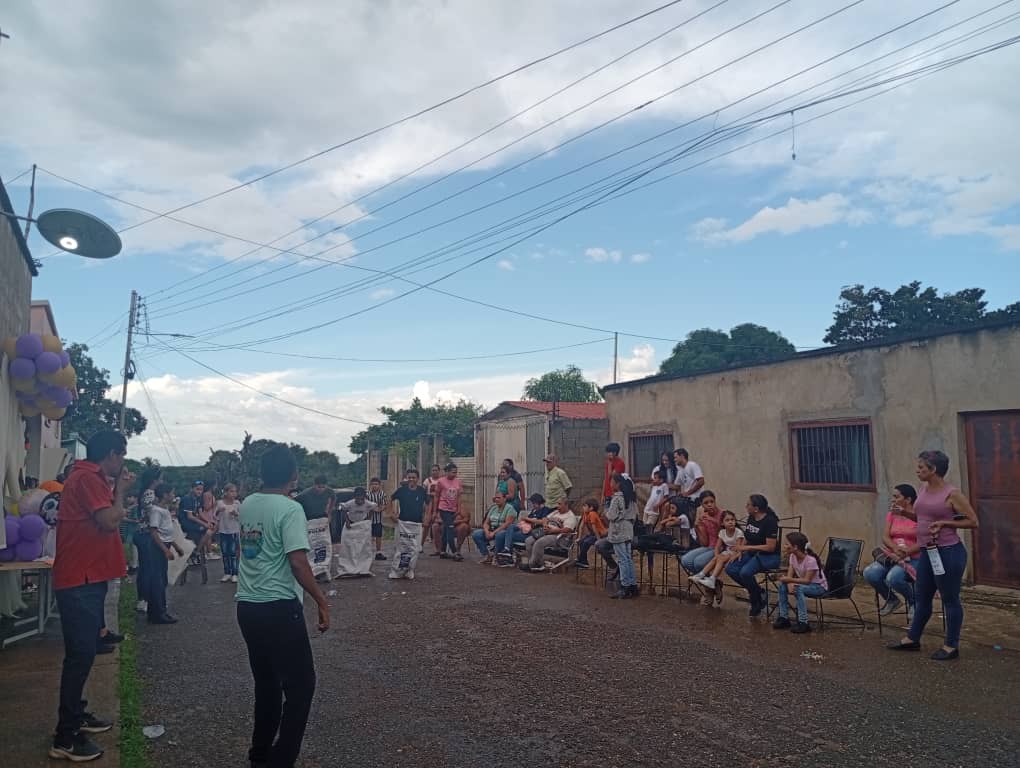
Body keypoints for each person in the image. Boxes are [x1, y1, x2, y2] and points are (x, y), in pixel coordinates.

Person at [237, 443, 329, 768]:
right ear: (293, 475)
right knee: (301, 687)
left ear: (263, 474)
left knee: (267, 686)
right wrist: (321, 601)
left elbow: (249, 551)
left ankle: (260, 755)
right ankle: (281, 760)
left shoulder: (248, 504)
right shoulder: (290, 509)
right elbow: (298, 562)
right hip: (278, 607)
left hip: (247, 606)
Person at [49, 430, 133, 762]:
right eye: (121, 454)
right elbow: (109, 521)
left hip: (86, 577)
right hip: (79, 580)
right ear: (111, 454)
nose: (123, 461)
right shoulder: (87, 478)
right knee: (80, 656)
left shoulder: (89, 478)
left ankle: (77, 714)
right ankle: (65, 737)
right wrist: (121, 492)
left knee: (82, 655)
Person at [888, 450, 978, 661]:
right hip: (928, 552)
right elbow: (923, 517)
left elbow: (973, 521)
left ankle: (951, 645)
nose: (917, 471)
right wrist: (904, 513)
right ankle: (912, 638)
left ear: (933, 469)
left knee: (950, 599)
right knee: (922, 597)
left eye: (921, 467)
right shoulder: (923, 489)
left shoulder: (952, 493)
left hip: (948, 552)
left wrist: (945, 523)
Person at [863, 484, 920, 620]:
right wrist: (895, 549)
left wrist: (907, 552)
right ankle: (892, 600)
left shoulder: (918, 516)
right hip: (893, 556)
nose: (893, 499)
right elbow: (885, 537)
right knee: (870, 573)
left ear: (908, 499)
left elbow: (924, 540)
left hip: (914, 557)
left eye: (896, 496)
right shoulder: (892, 514)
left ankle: (914, 602)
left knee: (893, 578)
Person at [725, 494, 780, 618]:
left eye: (748, 505)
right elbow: (747, 537)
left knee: (745, 572)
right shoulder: (751, 517)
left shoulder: (770, 521)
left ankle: (755, 602)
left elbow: (770, 547)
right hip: (752, 553)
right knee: (731, 568)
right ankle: (759, 592)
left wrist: (746, 548)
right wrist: (739, 551)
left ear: (756, 508)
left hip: (768, 556)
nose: (746, 506)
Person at [144, 484, 184, 625]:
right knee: (157, 580)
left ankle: (159, 610)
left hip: (164, 545)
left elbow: (166, 533)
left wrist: (175, 546)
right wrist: (165, 550)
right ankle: (158, 613)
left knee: (162, 579)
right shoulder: (156, 511)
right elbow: (154, 532)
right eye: (171, 493)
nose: (173, 495)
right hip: (157, 547)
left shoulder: (165, 510)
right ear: (165, 495)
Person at [772, 531, 828, 633]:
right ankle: (784, 617)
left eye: (787, 544)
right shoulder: (792, 556)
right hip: (804, 584)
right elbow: (790, 575)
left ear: (795, 547)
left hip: (818, 587)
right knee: (782, 586)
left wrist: (790, 581)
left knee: (798, 588)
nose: (784, 546)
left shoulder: (810, 560)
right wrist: (789, 583)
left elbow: (807, 580)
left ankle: (803, 622)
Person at [690, 510, 744, 606]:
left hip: (735, 553)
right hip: (727, 552)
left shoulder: (738, 532)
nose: (730, 522)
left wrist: (729, 555)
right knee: (716, 558)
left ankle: (712, 579)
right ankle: (700, 575)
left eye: (732, 520)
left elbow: (739, 548)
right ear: (722, 523)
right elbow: (717, 547)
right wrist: (716, 555)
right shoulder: (722, 532)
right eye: (727, 520)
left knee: (721, 559)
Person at [389, 468, 429, 580]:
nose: (411, 479)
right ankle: (397, 571)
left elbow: (429, 504)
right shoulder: (402, 490)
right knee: (402, 548)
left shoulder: (421, 491)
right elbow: (390, 499)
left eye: (414, 477)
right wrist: (391, 513)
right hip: (402, 523)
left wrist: (427, 516)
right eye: (409, 477)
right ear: (407, 478)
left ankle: (409, 570)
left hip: (417, 524)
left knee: (415, 549)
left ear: (418, 479)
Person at [522, 497, 578, 572]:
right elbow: (545, 518)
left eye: (559, 504)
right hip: (546, 532)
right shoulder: (556, 512)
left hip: (559, 537)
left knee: (539, 542)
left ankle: (532, 564)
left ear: (566, 505)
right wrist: (545, 525)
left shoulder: (570, 516)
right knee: (528, 541)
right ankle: (538, 564)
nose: (557, 506)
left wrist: (553, 530)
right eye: (557, 504)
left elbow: (567, 530)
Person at [606, 473, 639, 599]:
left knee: (622, 558)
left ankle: (625, 586)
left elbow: (611, 516)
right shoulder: (631, 498)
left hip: (618, 530)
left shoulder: (617, 498)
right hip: (628, 529)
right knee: (628, 558)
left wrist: (606, 510)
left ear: (618, 484)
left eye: (612, 482)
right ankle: (632, 585)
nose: (610, 484)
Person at [681, 490, 723, 583]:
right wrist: (698, 527)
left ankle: (710, 583)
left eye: (712, 501)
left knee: (698, 563)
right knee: (685, 560)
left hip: (721, 547)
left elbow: (727, 535)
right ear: (702, 505)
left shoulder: (723, 514)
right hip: (710, 547)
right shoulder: (704, 517)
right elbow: (704, 543)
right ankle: (711, 582)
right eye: (706, 503)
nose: (709, 505)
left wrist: (714, 521)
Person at [503, 493, 551, 565]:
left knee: (507, 535)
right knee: (510, 527)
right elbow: (527, 520)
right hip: (525, 530)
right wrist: (524, 520)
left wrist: (528, 519)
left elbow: (542, 521)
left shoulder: (545, 510)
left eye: (534, 503)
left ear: (539, 502)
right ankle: (507, 550)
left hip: (533, 533)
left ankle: (508, 552)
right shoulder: (534, 510)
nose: (533, 505)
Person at [471, 491, 517, 564]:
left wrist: (494, 533)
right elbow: (486, 522)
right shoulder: (493, 508)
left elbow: (507, 524)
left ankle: (496, 556)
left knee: (499, 535)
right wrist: (486, 531)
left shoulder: (510, 508)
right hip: (492, 529)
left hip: (504, 531)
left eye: (499, 498)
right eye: (495, 498)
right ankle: (486, 555)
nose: (496, 499)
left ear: (504, 499)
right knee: (476, 534)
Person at [179, 480, 214, 563]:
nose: (199, 492)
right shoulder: (187, 499)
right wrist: (204, 524)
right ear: (192, 489)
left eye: (201, 490)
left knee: (209, 530)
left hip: (194, 522)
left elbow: (200, 513)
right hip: (186, 523)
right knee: (207, 531)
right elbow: (190, 516)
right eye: (197, 489)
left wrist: (208, 522)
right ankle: (196, 553)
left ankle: (196, 552)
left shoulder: (198, 499)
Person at [436, 463, 464, 561]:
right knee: (450, 529)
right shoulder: (441, 481)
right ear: (447, 472)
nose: (454, 474)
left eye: (456, 472)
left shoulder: (458, 482)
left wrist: (459, 508)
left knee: (446, 529)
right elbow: (437, 496)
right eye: (453, 472)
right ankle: (454, 551)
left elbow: (459, 496)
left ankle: (443, 551)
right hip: (444, 508)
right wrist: (435, 510)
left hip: (453, 509)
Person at [215, 483, 242, 584]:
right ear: (225, 492)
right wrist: (218, 511)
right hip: (223, 531)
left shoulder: (237, 503)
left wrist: (236, 514)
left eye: (235, 491)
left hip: (234, 531)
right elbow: (215, 516)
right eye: (231, 491)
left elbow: (242, 517)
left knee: (233, 553)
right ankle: (227, 572)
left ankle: (235, 573)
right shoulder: (220, 503)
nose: (234, 493)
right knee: (225, 553)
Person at [671, 448, 705, 522]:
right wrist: (664, 484)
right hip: (686, 498)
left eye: (676, 457)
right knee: (670, 505)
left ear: (682, 456)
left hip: (695, 498)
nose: (674, 460)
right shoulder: (680, 470)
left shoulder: (692, 465)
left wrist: (688, 493)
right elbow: (677, 486)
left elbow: (701, 481)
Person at [574, 498, 607, 570]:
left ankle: (580, 559)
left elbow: (594, 528)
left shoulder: (592, 514)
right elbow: (581, 526)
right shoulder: (585, 514)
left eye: (585, 506)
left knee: (586, 542)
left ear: (591, 508)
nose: (583, 507)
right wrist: (579, 537)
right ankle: (584, 562)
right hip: (593, 534)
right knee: (581, 541)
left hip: (600, 534)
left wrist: (599, 540)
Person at [421, 464, 442, 549]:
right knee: (426, 525)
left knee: (438, 525)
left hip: (440, 504)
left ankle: (439, 548)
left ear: (439, 471)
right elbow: (423, 492)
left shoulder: (442, 481)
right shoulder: (427, 481)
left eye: (436, 470)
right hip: (429, 504)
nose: (434, 472)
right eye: (433, 470)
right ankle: (420, 545)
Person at [366, 477, 387, 561]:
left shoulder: (382, 494)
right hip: (368, 519)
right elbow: (365, 505)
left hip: (378, 519)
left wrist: (378, 509)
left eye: (376, 484)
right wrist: (372, 508)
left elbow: (384, 505)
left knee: (378, 536)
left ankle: (378, 553)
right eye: (373, 484)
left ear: (379, 485)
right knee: (368, 536)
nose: (374, 486)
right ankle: (367, 552)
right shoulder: (367, 494)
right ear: (370, 485)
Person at [602, 442, 626, 511]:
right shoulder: (608, 462)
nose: (608, 454)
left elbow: (611, 476)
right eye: (607, 452)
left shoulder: (620, 463)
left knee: (613, 513)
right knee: (606, 513)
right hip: (607, 493)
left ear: (615, 453)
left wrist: (610, 463)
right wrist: (603, 495)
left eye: (609, 452)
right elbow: (606, 478)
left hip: (615, 494)